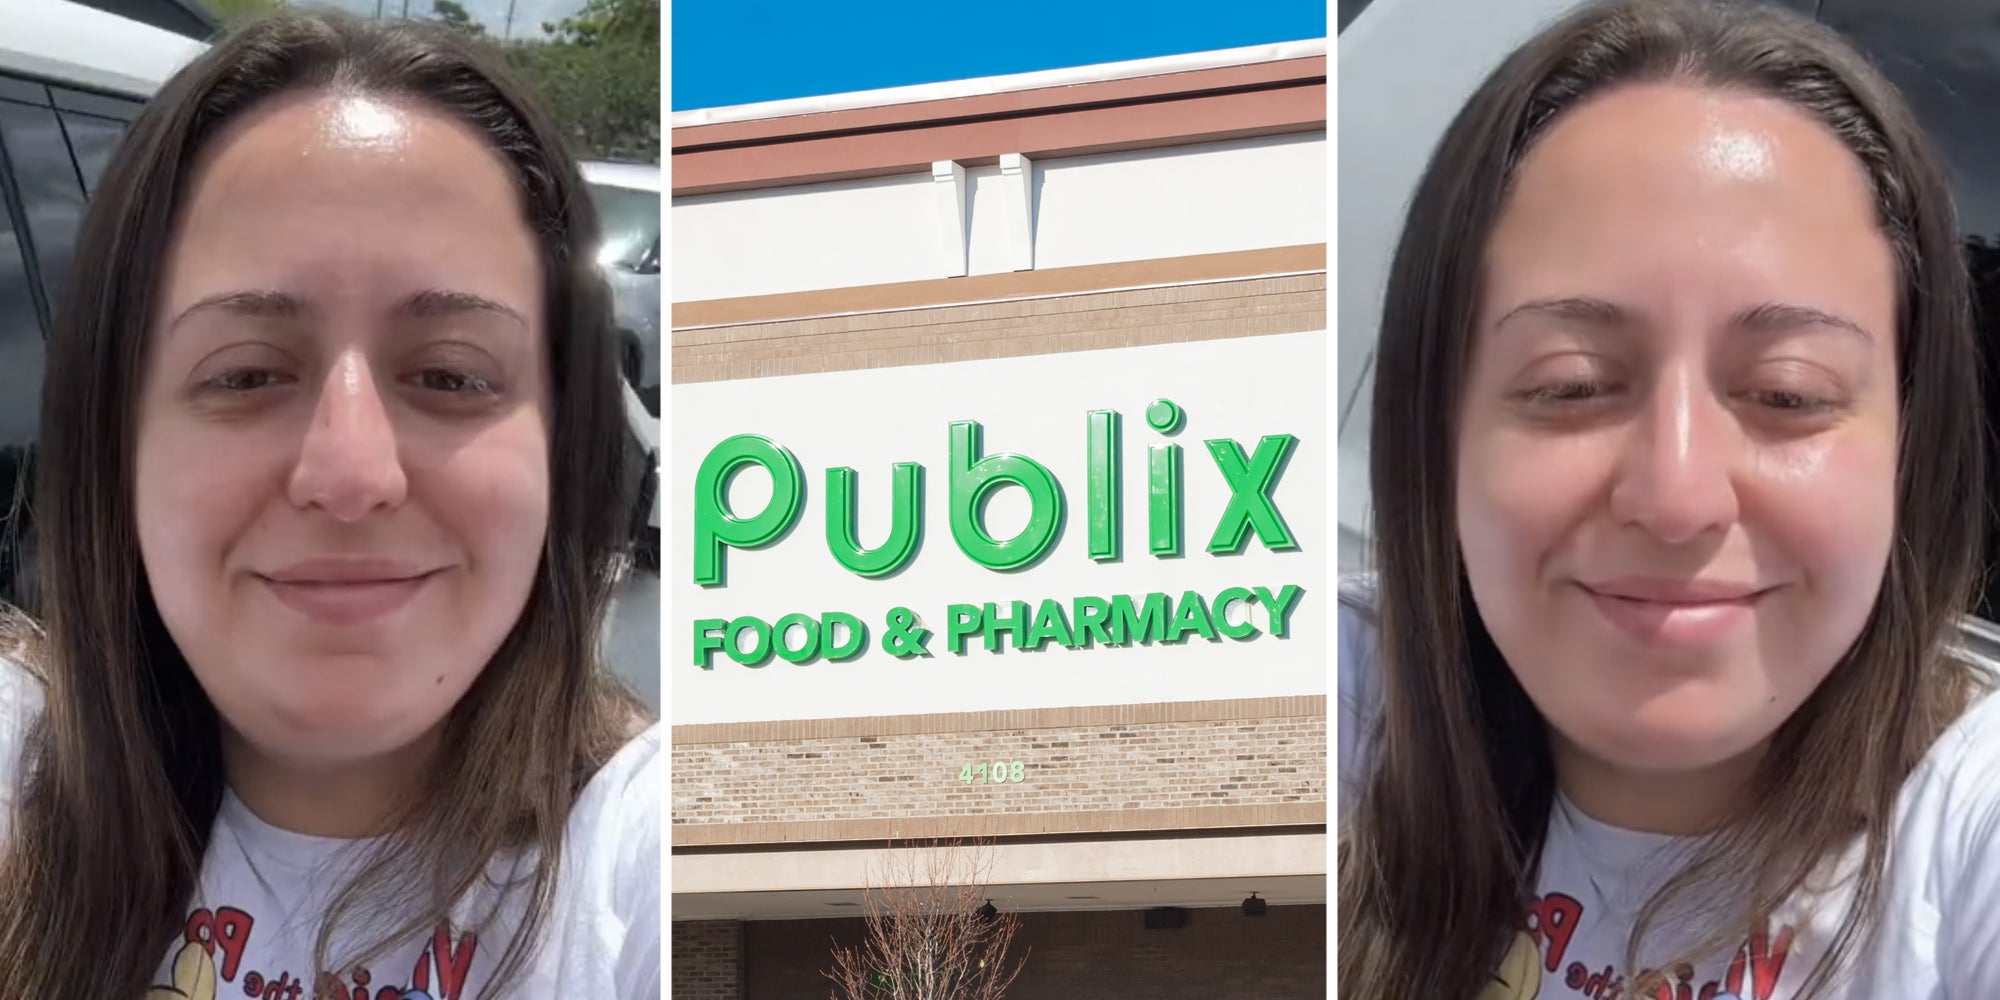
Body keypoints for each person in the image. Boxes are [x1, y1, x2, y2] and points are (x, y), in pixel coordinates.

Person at [1336, 1, 2000, 997]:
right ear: (1439, 430)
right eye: (1570, 382)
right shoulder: (1342, 700)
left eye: (1786, 392)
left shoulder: (1966, 830)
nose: (1675, 495)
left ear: (1909, 445)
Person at [0, 12, 659, 999]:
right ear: (116, 443)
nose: (352, 474)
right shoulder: (25, 801)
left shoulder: (651, 862)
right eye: (248, 372)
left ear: (562, 456)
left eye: (448, 375)